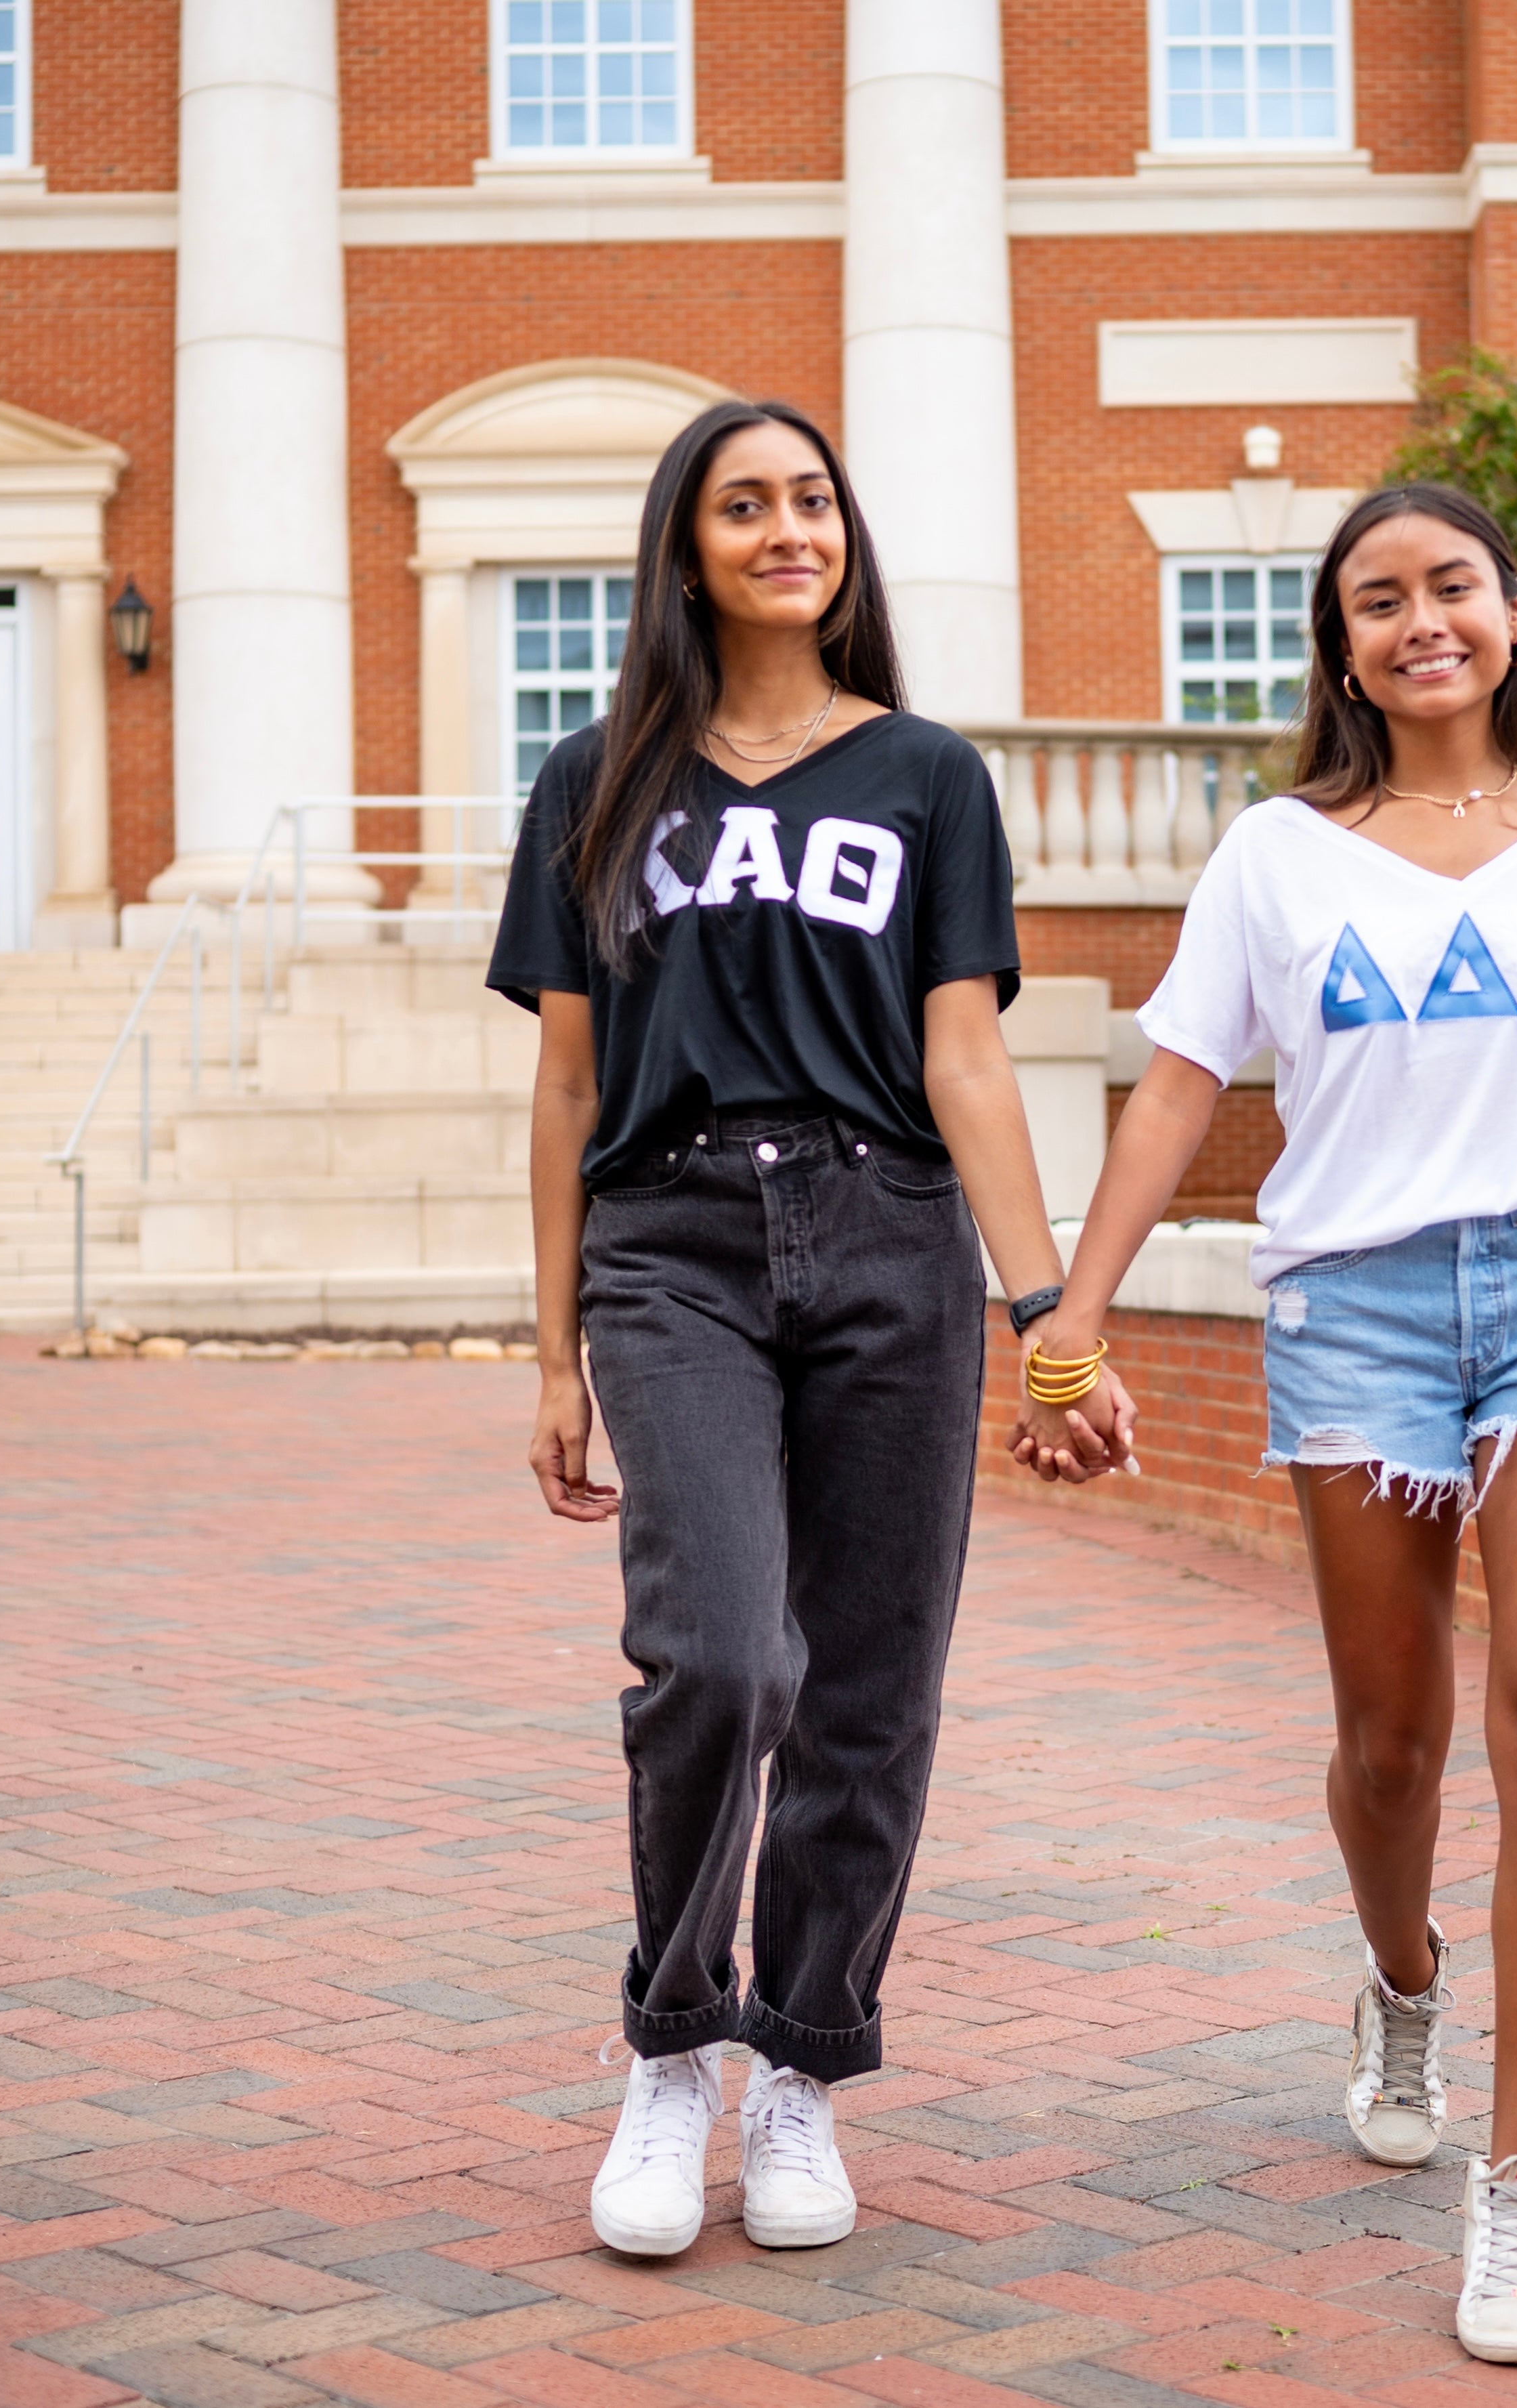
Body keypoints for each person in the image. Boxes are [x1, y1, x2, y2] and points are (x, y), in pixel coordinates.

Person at [1010, 483, 1517, 2363]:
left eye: (1450, 586)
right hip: (1350, 1310)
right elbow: (1175, 1090)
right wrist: (1066, 1325)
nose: (1417, 620)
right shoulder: (1275, 855)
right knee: (1388, 1739)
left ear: (1514, 617)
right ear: (1339, 647)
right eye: (1375, 599)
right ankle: (1400, 1973)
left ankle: (1516, 2198)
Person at [489, 396, 1130, 2261]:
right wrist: (549, 1356)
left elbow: (968, 1057)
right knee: (717, 1658)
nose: (790, 527)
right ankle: (672, 2039)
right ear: (682, 547)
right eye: (745, 503)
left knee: (865, 1687)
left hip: (888, 1232)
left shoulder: (925, 776)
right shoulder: (596, 776)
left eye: (813, 498)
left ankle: (803, 2064)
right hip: (669, 1235)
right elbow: (560, 1088)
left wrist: (1049, 1313)